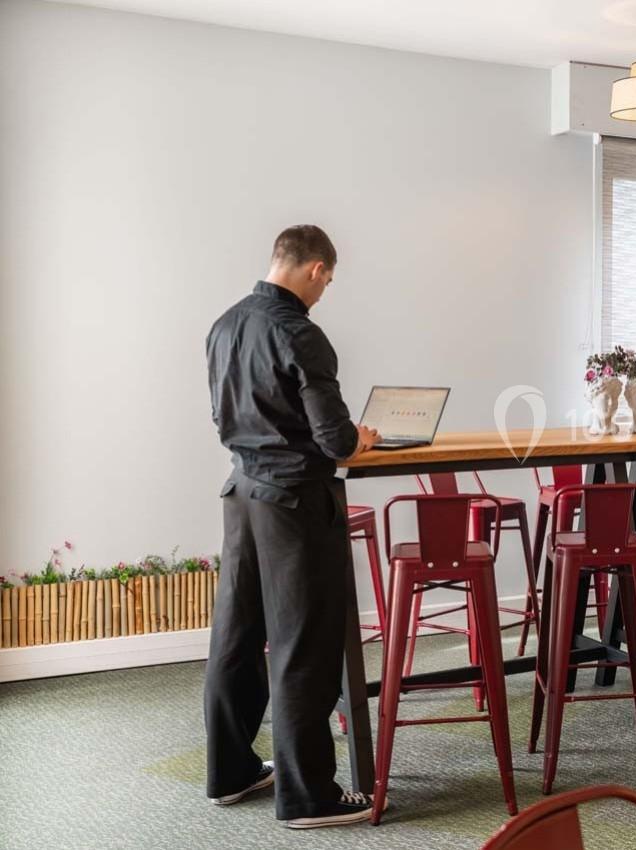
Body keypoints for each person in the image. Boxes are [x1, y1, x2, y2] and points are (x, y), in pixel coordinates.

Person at [204, 225, 380, 829]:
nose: (325, 290)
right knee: (304, 644)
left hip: (242, 494)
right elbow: (335, 440)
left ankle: (229, 773)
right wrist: (362, 439)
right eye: (326, 279)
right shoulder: (301, 333)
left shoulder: (225, 324)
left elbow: (222, 414)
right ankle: (309, 798)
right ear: (312, 268)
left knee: (236, 637)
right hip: (296, 504)